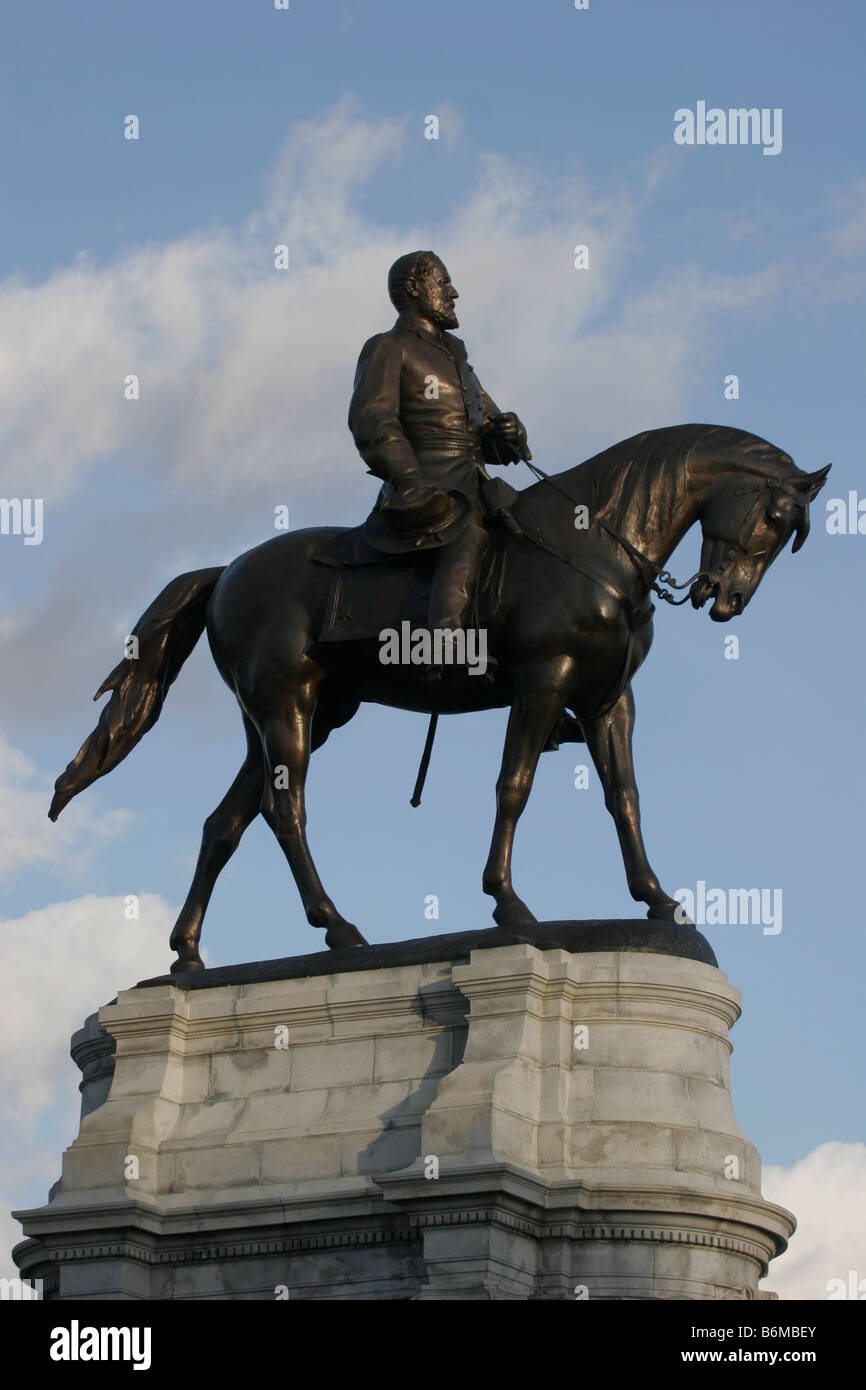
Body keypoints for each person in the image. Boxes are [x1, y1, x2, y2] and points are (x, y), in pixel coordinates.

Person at [348, 251, 530, 663]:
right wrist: (411, 478)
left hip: (478, 485)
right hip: (429, 486)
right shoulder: (388, 347)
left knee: (536, 533)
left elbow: (490, 430)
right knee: (465, 533)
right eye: (443, 283)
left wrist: (509, 433)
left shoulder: (458, 361)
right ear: (415, 288)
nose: (454, 292)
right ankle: (442, 648)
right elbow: (372, 420)